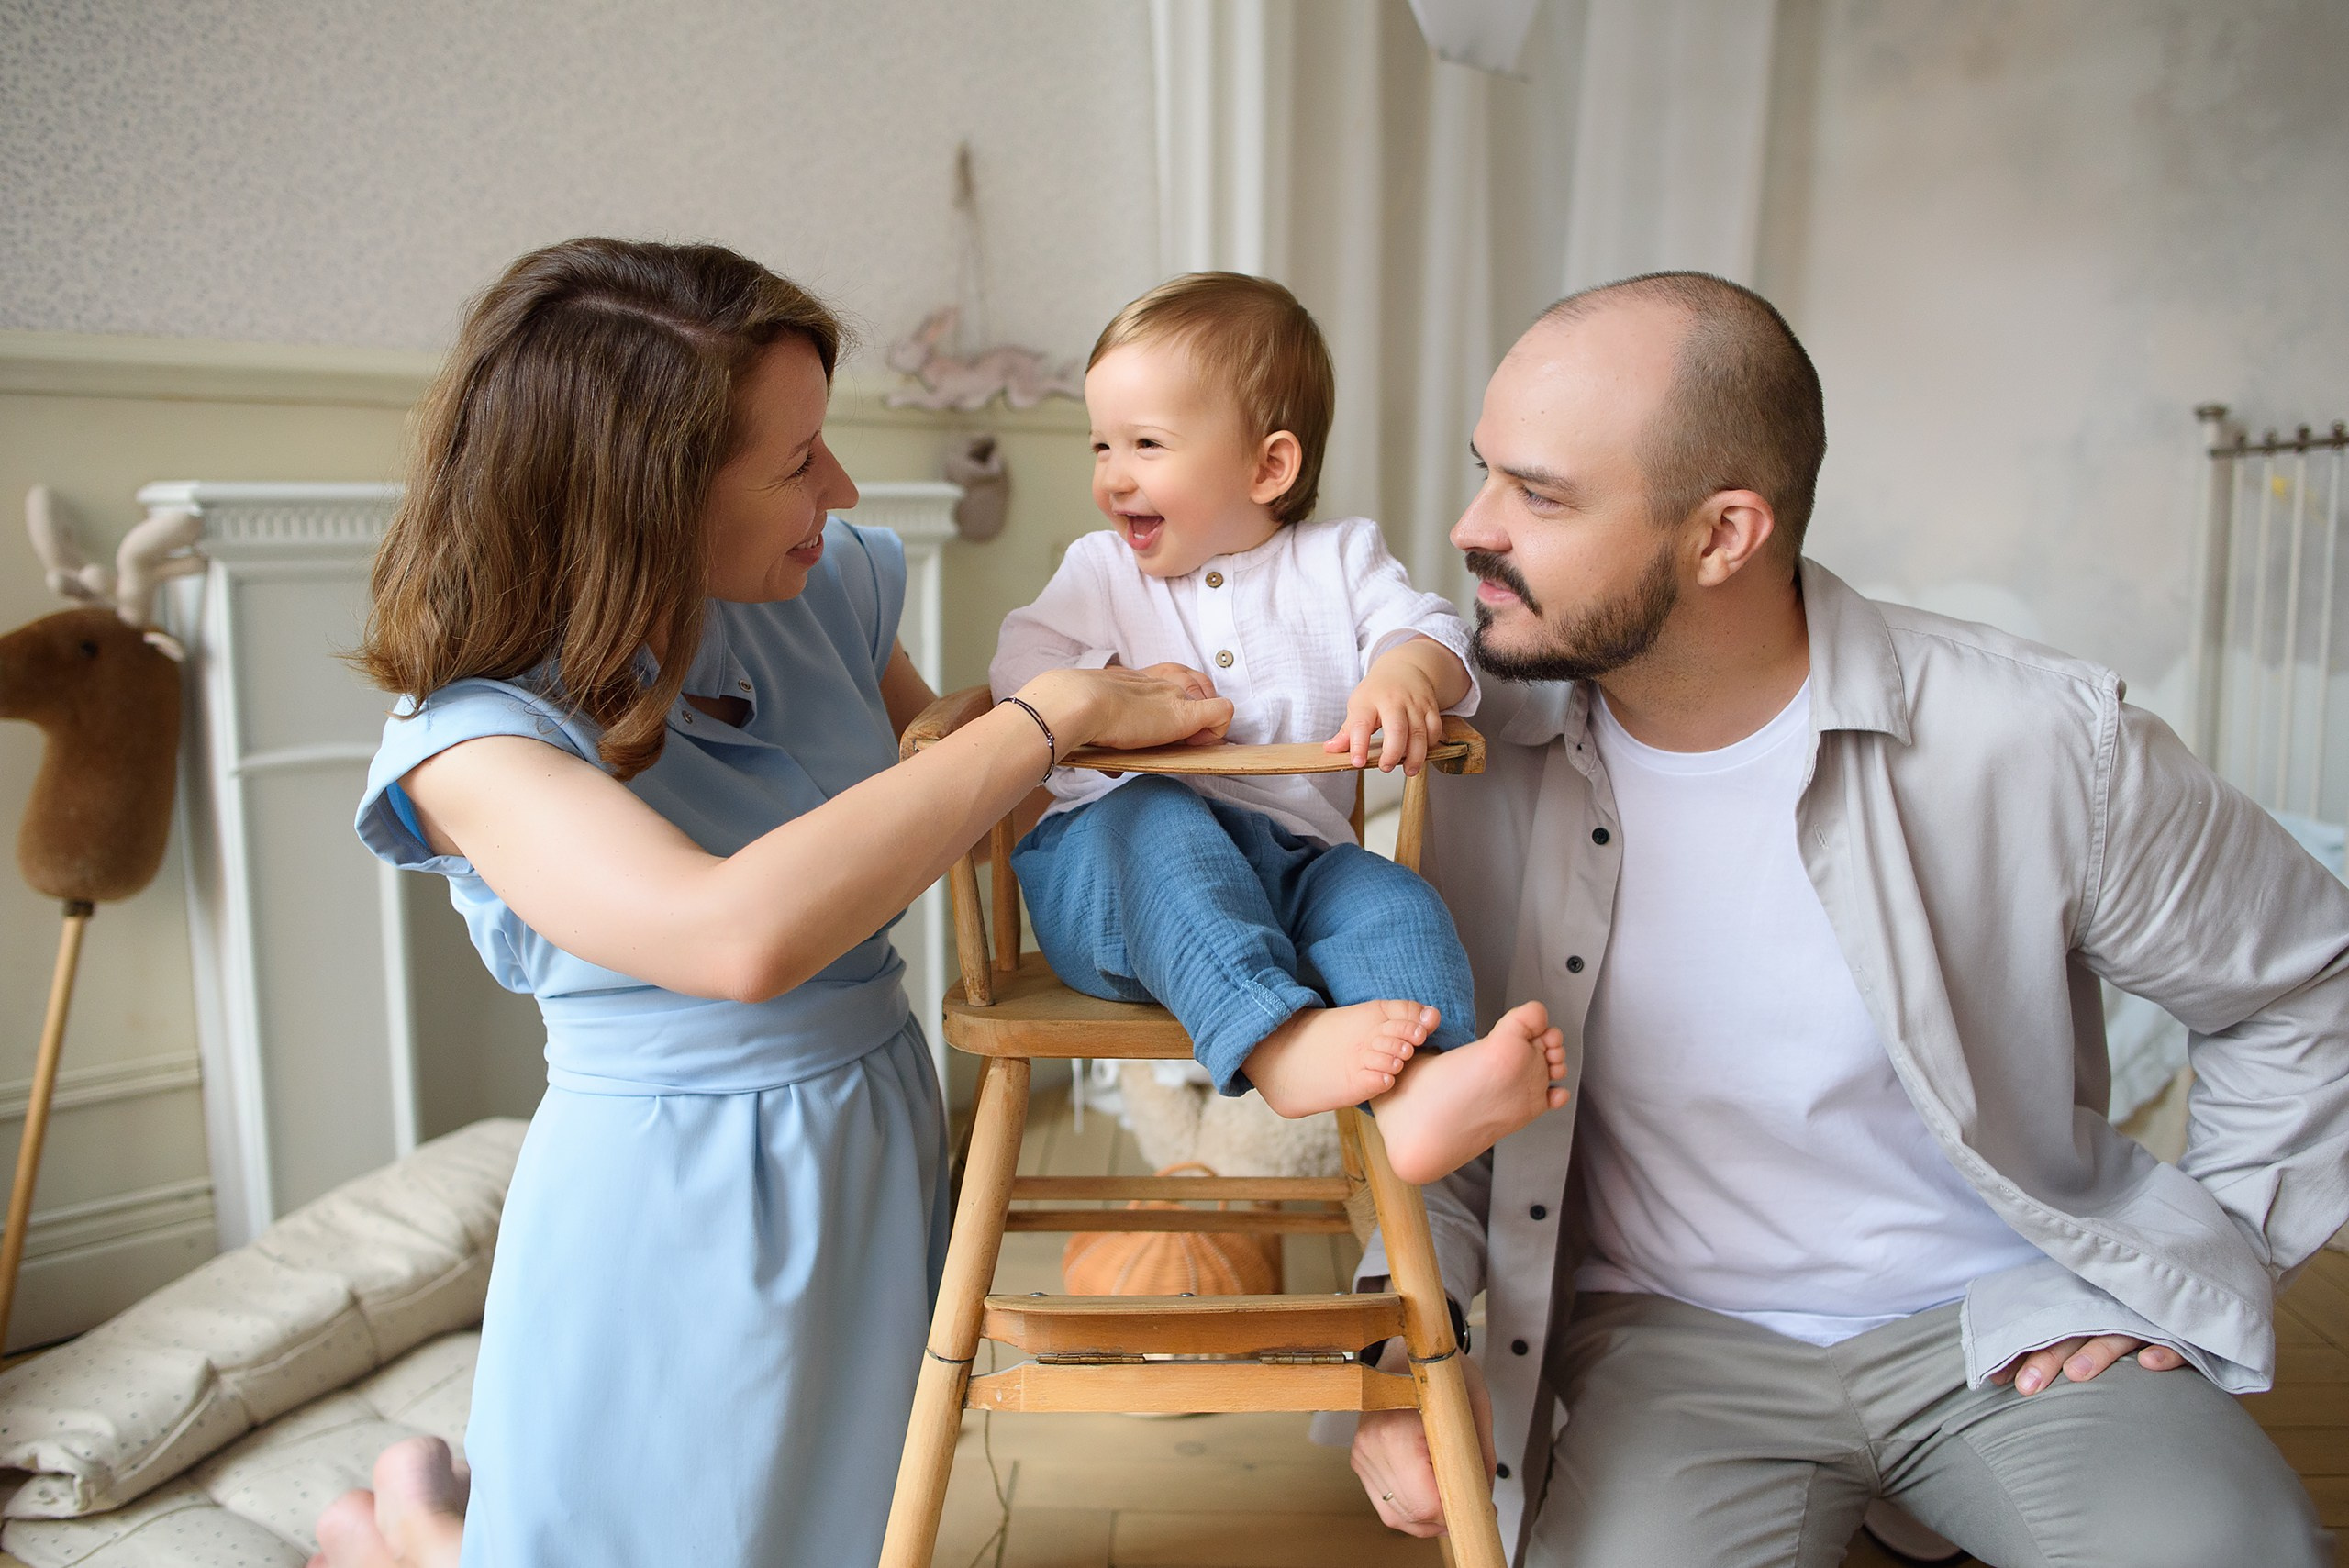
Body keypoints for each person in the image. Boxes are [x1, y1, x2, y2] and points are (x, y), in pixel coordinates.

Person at [1347, 271, 2347, 1566]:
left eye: (1538, 495)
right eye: (1486, 473)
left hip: (2008, 1321)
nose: (1472, 527)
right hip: (1664, 1339)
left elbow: (2307, 979)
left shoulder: (2036, 739)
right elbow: (1437, 1099)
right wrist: (1390, 1349)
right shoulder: (1475, 755)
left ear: (1722, 536)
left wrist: (2210, 1260)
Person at [342, 238, 1230, 1568]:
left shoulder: (820, 590)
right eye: (795, 462)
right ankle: (410, 1529)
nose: (843, 487)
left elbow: (930, 778)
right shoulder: (476, 742)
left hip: (873, 1115)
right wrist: (1046, 723)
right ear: (644, 497)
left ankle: (425, 1521)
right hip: (670, 1193)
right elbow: (732, 935)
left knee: (843, 1522)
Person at [992, 272, 1568, 1184]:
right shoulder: (1098, 570)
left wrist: (1404, 671)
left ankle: (1422, 1091)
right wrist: (1109, 690)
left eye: (1146, 443)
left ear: (1269, 467)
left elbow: (1429, 629)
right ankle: (1280, 1040)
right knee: (1161, 823)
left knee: (1388, 897)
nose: (1112, 474)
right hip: (1110, 879)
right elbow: (1019, 677)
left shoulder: (1337, 561)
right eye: (1101, 443)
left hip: (1293, 867)